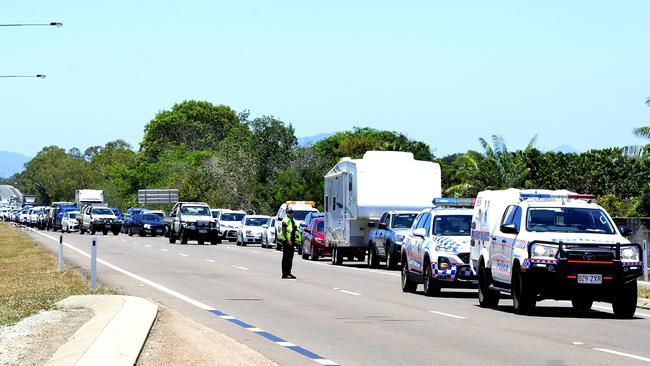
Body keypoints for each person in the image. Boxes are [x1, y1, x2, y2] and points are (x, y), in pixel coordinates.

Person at [280, 207, 298, 279]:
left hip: (292, 240)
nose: (290, 213)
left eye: (291, 212)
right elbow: (284, 231)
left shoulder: (292, 220)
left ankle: (289, 272)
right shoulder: (285, 220)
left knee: (290, 257)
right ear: (286, 213)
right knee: (286, 257)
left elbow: (295, 229)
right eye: (289, 212)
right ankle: (284, 273)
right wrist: (288, 240)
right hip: (286, 240)